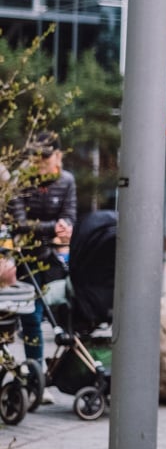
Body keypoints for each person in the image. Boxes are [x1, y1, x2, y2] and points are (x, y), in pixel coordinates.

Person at [7, 131, 76, 404]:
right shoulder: (21, 180)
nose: (40, 164)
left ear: (57, 156)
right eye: (36, 159)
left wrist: (64, 229)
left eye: (45, 159)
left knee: (64, 311)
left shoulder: (66, 181)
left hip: (54, 257)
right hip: (25, 257)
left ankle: (55, 372)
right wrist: (53, 229)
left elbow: (70, 216)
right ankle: (37, 378)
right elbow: (20, 224)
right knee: (32, 317)